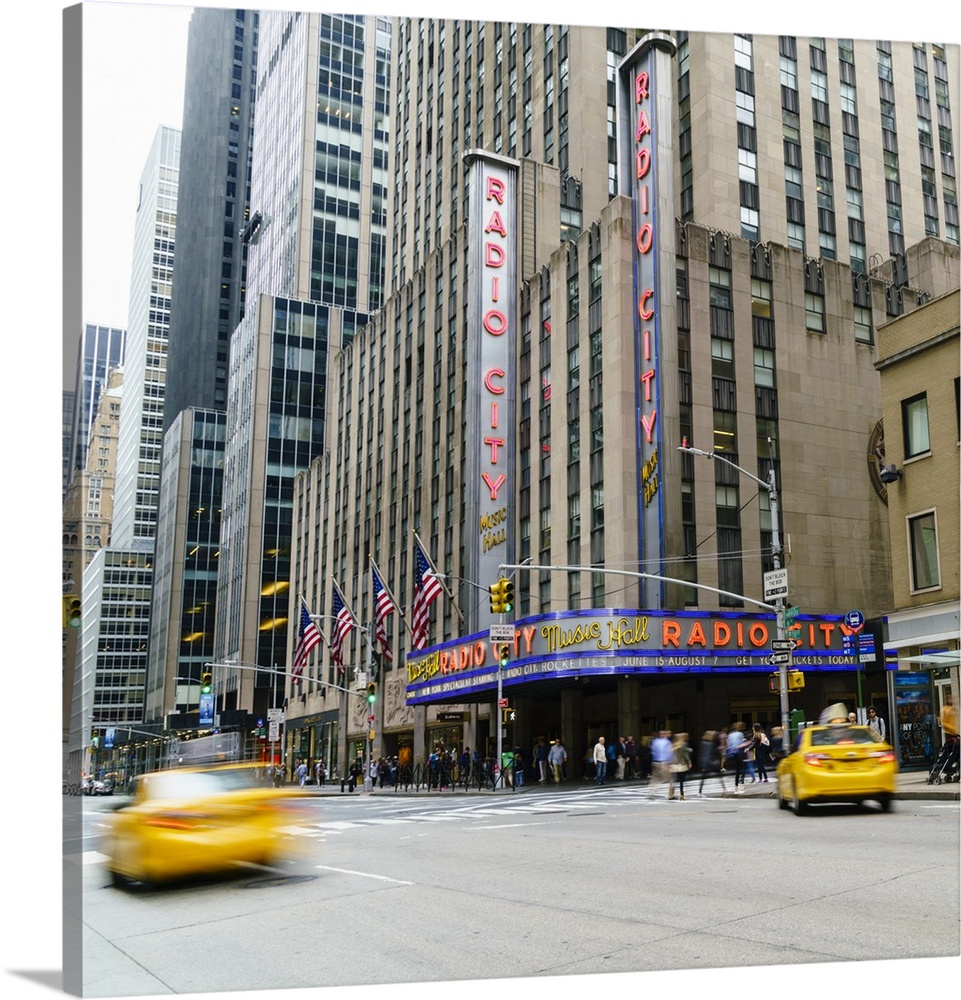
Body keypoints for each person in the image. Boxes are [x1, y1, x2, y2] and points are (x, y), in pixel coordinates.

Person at [697, 730, 727, 796]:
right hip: (711, 762)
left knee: (703, 777)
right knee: (719, 775)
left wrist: (701, 763)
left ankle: (700, 792)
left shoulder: (702, 743)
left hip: (705, 762)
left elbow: (701, 753)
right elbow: (713, 753)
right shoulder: (712, 744)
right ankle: (724, 788)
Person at [648, 729, 673, 799]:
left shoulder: (655, 742)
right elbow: (668, 753)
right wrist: (668, 763)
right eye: (667, 734)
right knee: (670, 779)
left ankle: (650, 792)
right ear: (664, 735)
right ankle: (670, 795)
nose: (668, 735)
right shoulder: (667, 742)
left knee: (655, 778)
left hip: (655, 762)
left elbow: (653, 752)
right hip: (664, 762)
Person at [669, 732, 693, 800]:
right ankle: (681, 795)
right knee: (681, 781)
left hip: (673, 765)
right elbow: (685, 755)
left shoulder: (673, 745)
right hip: (681, 765)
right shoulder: (684, 744)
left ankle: (670, 794)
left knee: (673, 780)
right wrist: (689, 762)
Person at [725, 722, 748, 793]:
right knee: (741, 769)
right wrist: (748, 743)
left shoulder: (730, 735)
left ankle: (737, 787)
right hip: (738, 753)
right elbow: (740, 744)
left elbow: (728, 744)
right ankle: (738, 788)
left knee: (738, 770)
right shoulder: (740, 734)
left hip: (731, 753)